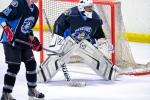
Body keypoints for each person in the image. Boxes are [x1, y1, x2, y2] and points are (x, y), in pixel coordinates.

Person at [0, 0, 45, 99]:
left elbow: (28, 28)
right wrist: (7, 29)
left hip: (23, 42)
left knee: (31, 63)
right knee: (14, 67)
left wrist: (33, 40)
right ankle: (6, 93)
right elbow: (1, 16)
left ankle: (32, 90)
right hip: (10, 42)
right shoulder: (18, 3)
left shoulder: (35, 10)